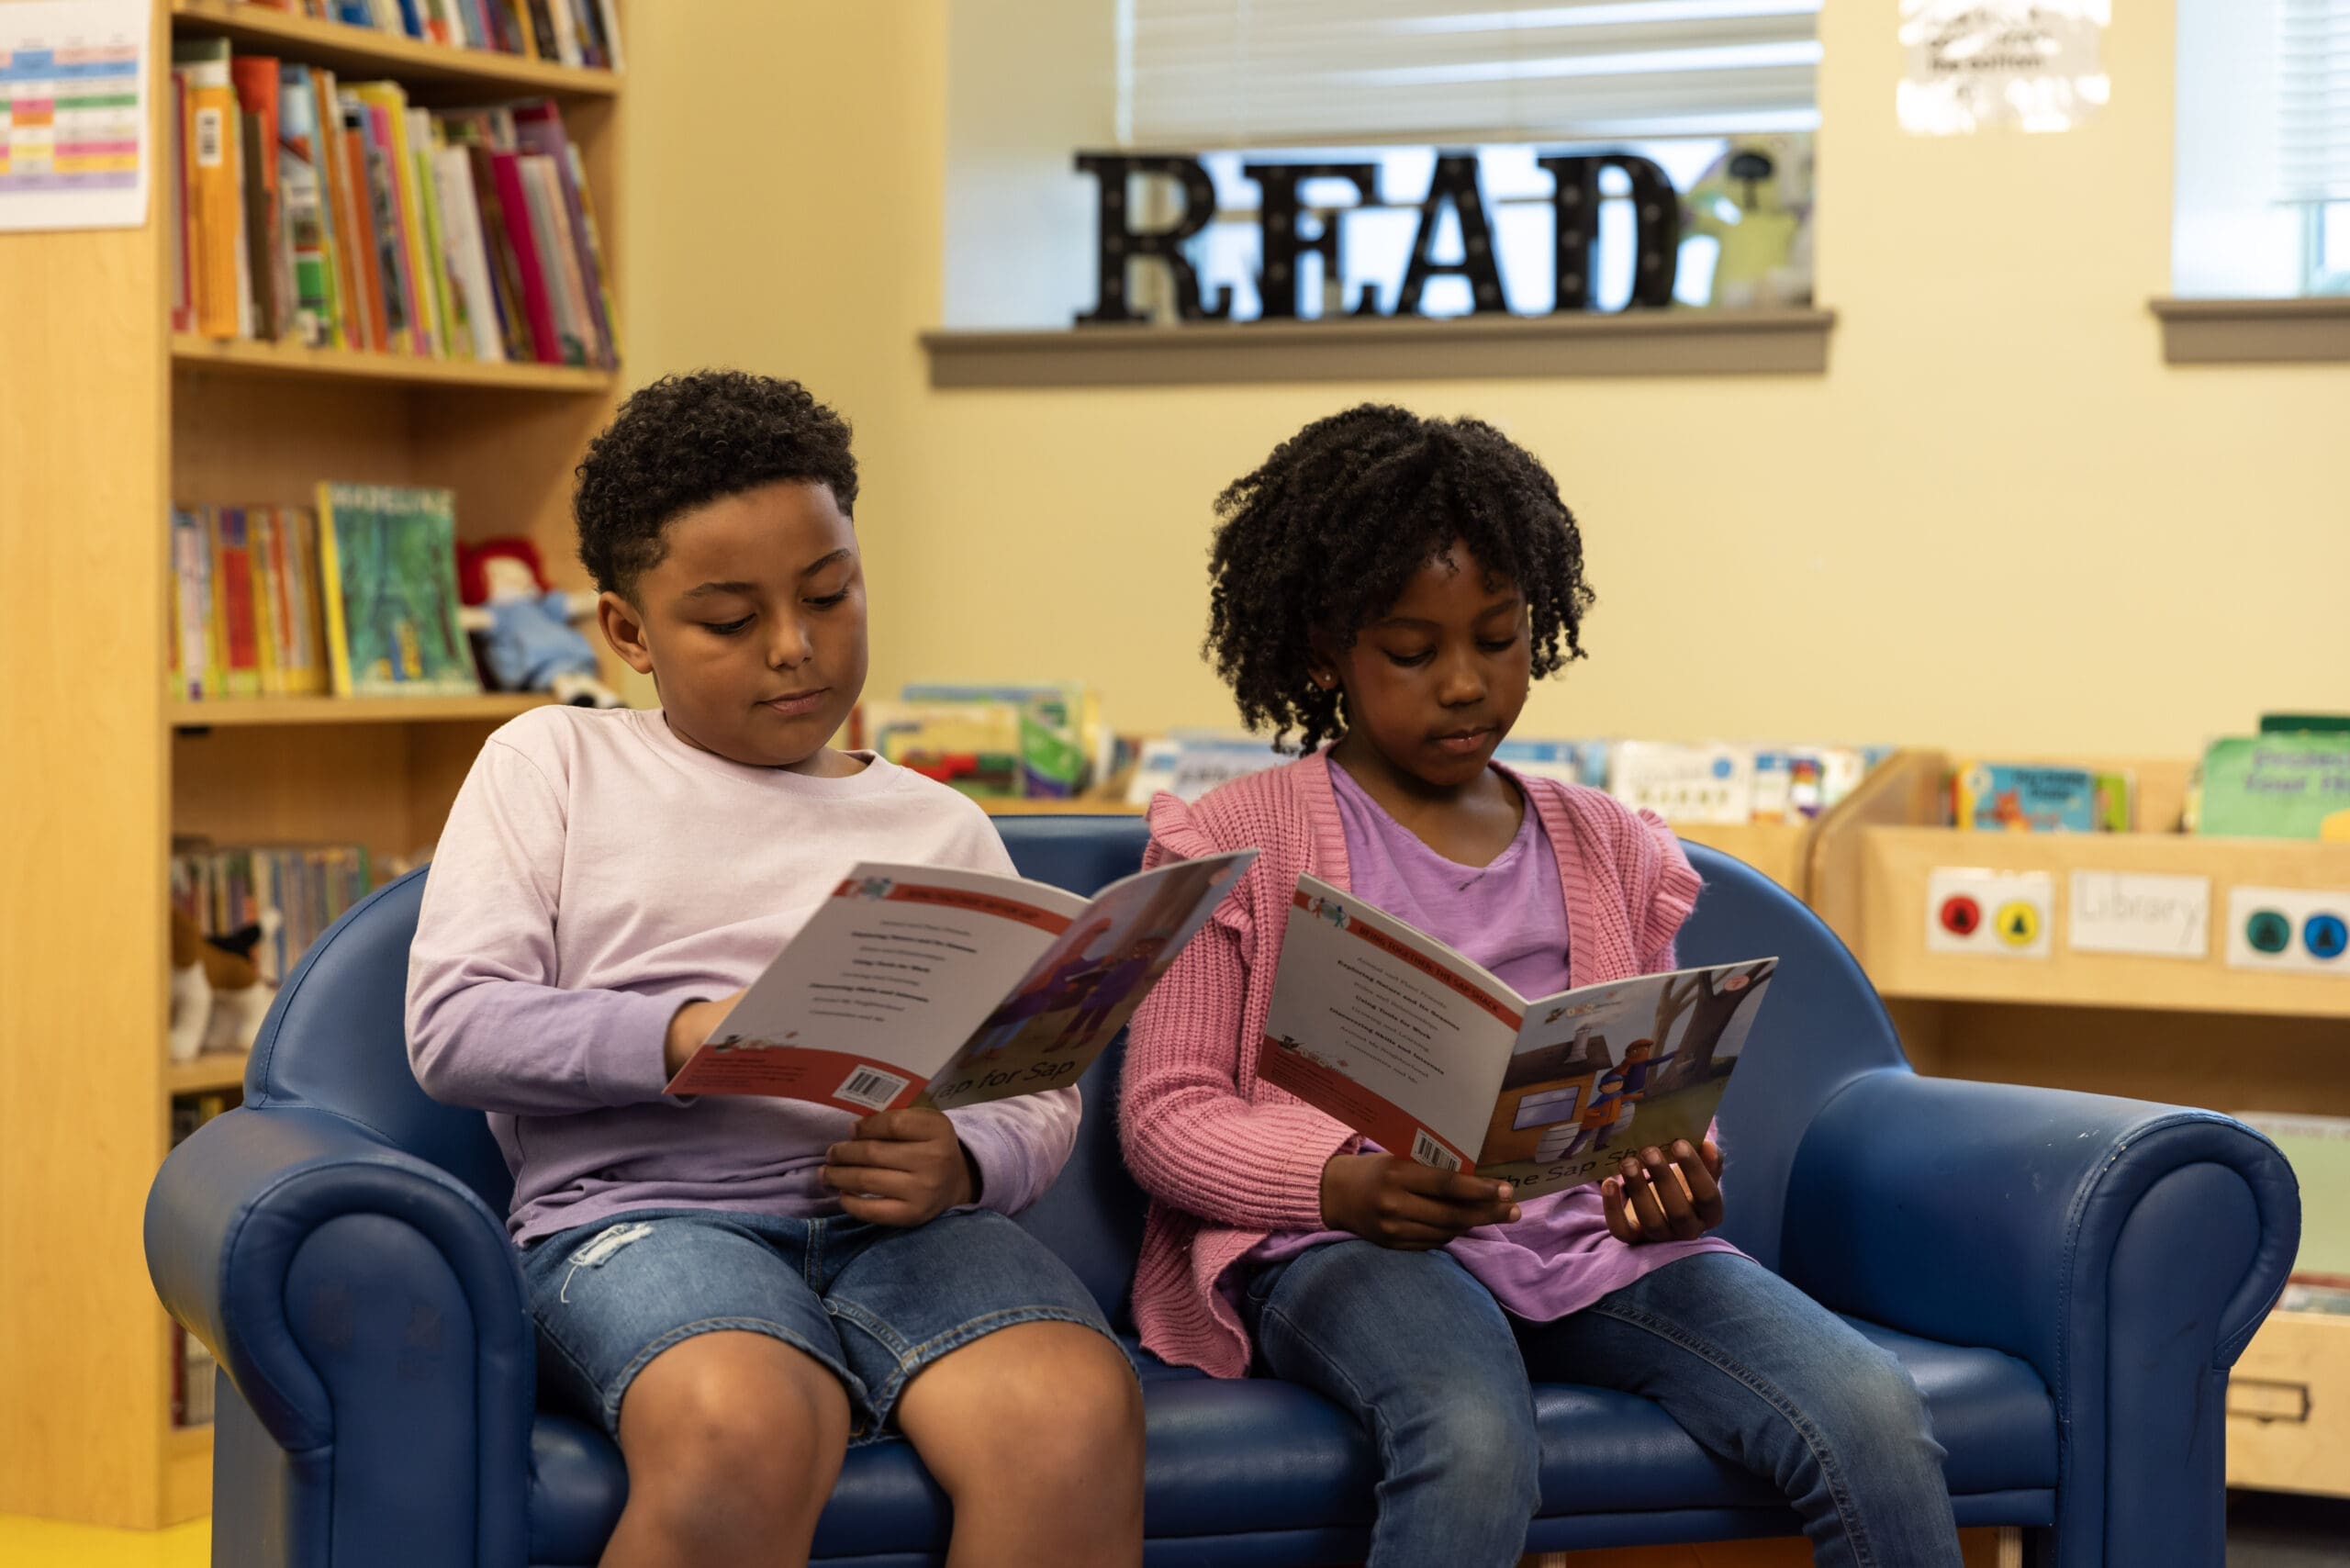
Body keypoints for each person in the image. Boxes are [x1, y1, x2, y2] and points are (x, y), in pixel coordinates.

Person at [1119, 404, 1962, 1568]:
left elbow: (1653, 1089)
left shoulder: (1612, 845)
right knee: (1468, 1431)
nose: (1464, 684)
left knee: (1869, 1409)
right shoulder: (1235, 840)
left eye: (1500, 638)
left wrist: (1673, 1174)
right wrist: (1341, 1185)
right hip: (1348, 1246)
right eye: (1412, 652)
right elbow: (1166, 1117)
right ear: (1325, 650)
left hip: (1592, 1245)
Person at [407, 371, 1142, 1568]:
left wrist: (961, 1160)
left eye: (829, 594)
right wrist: (690, 1034)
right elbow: (455, 1027)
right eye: (730, 621)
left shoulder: (941, 826)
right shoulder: (551, 763)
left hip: (902, 1232)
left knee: (1071, 1415)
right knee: (744, 1422)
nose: (796, 650)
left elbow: (1029, 1084)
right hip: (641, 1219)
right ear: (630, 632)